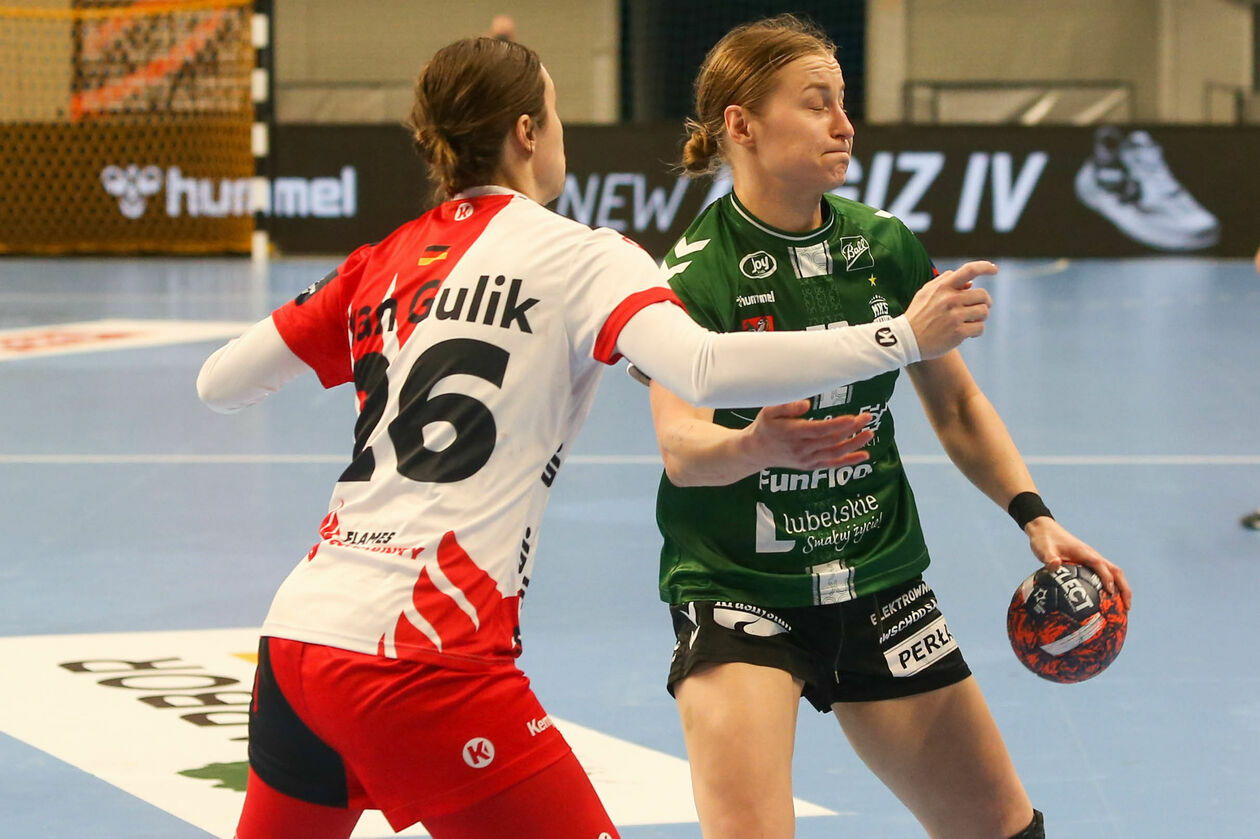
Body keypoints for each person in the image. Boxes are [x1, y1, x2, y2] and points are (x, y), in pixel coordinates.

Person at [196, 36, 992, 839]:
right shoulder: (583, 256)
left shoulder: (381, 262)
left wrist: (362, 312)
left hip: (299, 639)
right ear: (527, 134)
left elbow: (219, 382)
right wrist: (900, 337)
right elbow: (705, 366)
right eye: (554, 113)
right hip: (428, 650)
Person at [645, 15, 1134, 839]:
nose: (844, 124)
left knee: (1003, 829)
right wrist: (755, 446)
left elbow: (957, 405)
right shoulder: (696, 272)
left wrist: (1034, 515)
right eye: (816, 103)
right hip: (739, 590)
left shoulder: (884, 247)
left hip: (878, 579)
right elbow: (681, 449)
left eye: (845, 101)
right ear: (742, 125)